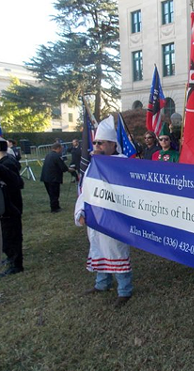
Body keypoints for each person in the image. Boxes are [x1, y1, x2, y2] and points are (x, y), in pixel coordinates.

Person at [75, 116, 133, 307]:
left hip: (114, 218)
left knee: (116, 251)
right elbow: (86, 190)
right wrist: (81, 212)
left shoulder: (123, 163)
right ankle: (102, 283)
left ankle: (124, 290)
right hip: (96, 217)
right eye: (96, 142)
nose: (97, 146)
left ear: (112, 144)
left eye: (101, 143)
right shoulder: (94, 164)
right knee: (98, 248)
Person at [0, 137, 24, 277]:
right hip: (7, 205)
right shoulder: (6, 162)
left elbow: (17, 183)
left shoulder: (7, 164)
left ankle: (16, 264)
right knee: (7, 234)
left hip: (10, 205)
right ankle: (10, 258)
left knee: (12, 234)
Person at [40, 143, 70, 213]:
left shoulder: (48, 155)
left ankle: (56, 206)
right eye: (61, 149)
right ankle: (54, 208)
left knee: (51, 193)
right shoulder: (57, 156)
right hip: (53, 178)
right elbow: (63, 167)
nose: (61, 150)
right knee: (55, 193)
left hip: (46, 177)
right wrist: (68, 169)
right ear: (58, 148)